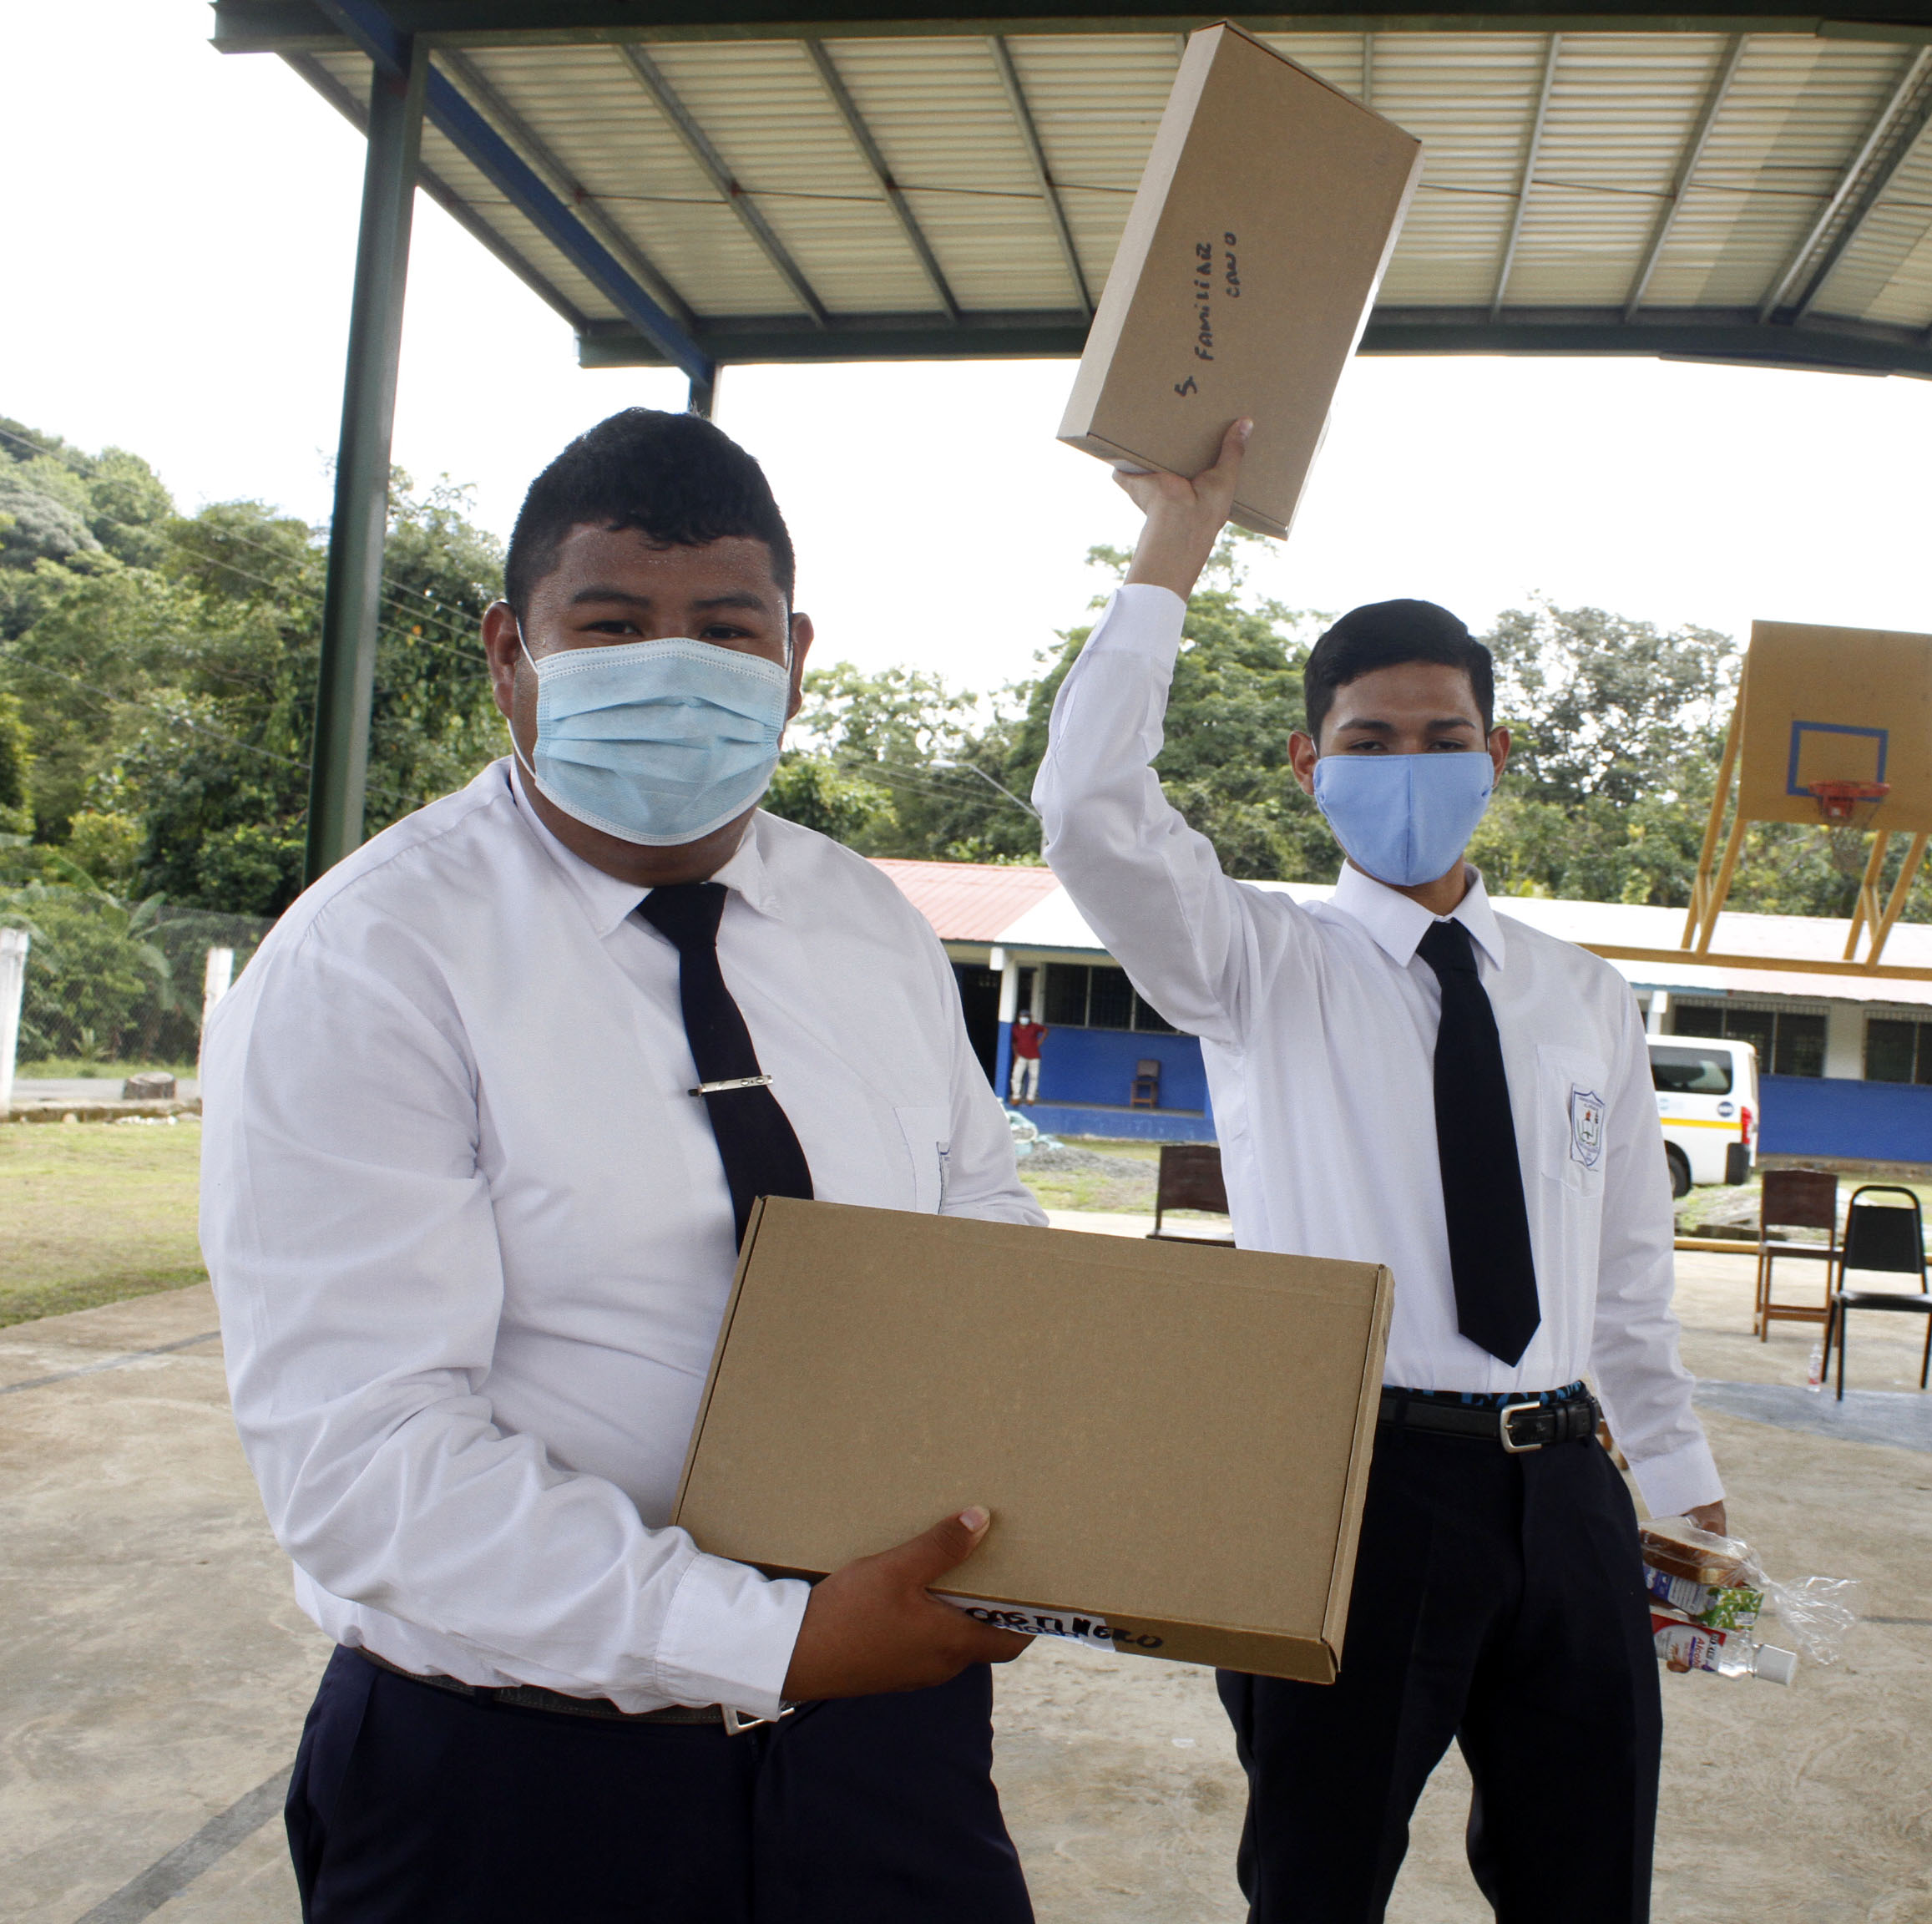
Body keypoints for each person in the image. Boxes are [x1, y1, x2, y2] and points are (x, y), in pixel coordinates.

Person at [200, 408, 1040, 1922]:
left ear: (796, 656)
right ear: (511, 655)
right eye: (611, 624)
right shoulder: (375, 960)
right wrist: (763, 1636)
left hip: (886, 1755)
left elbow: (981, 1225)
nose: (676, 665)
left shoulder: (869, 927)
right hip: (517, 1779)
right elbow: (368, 1460)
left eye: (727, 628)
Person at [1033, 420, 1725, 1924]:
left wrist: (1683, 1492)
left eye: (1440, 736)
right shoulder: (1258, 961)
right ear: (1304, 762)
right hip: (1349, 1484)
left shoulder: (1581, 992)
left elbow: (1621, 1286)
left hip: (1569, 1495)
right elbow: (1089, 811)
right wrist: (1176, 545)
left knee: (1590, 1875)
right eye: (1367, 739)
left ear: (1495, 752)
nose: (1408, 765)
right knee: (1319, 1877)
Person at [1010, 1007, 1047, 1103]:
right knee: (1016, 1076)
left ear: (1030, 1018)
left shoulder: (1034, 1027)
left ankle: (1030, 1098)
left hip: (1034, 1057)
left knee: (1033, 1077)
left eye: (1026, 1017)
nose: (1024, 1018)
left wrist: (1040, 1041)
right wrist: (1016, 1054)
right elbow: (1014, 1042)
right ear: (1019, 1017)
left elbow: (1045, 1030)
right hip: (1021, 1056)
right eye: (1022, 1016)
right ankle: (1016, 1096)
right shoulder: (1015, 1028)